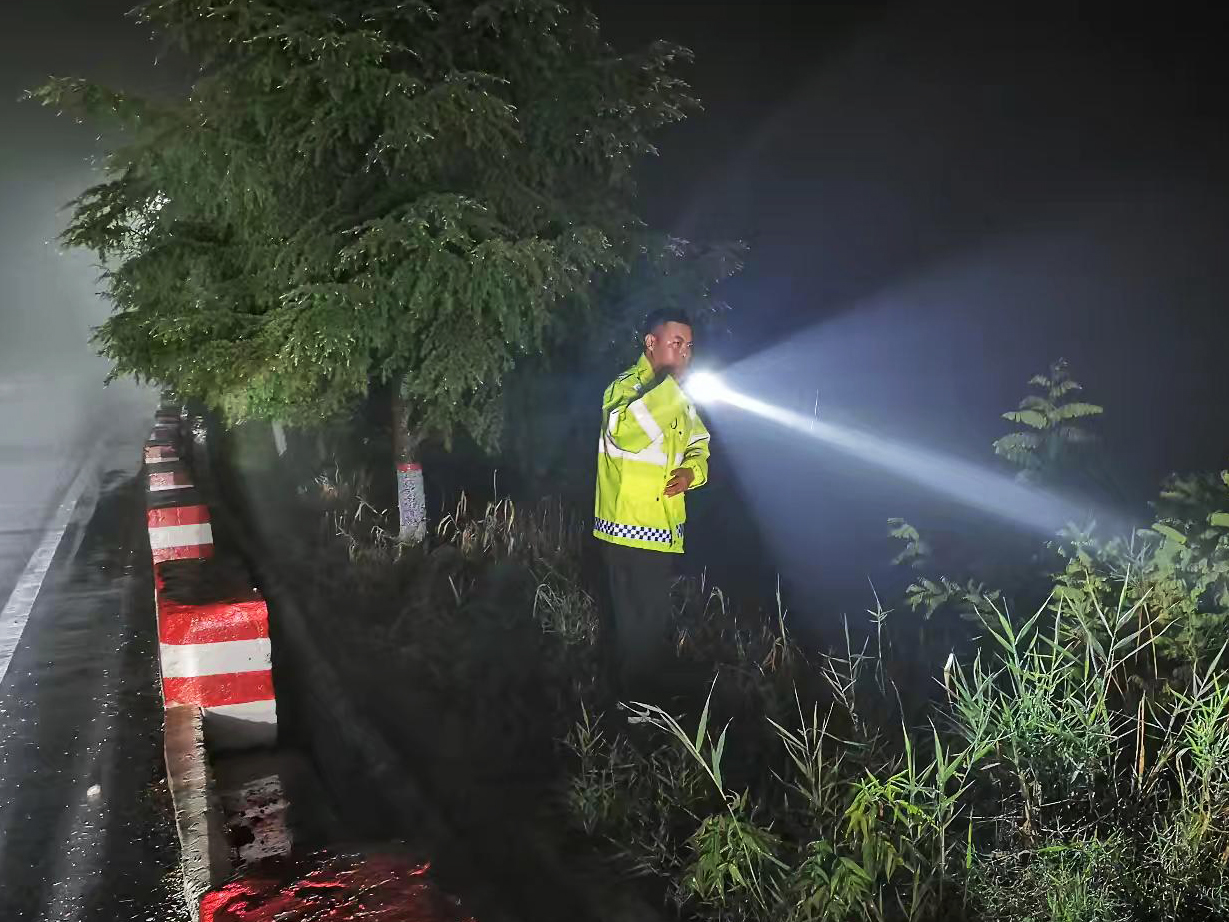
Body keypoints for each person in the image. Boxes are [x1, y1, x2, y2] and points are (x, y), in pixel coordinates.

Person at [593, 309, 711, 696]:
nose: (684, 353)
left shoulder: (677, 397)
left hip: (662, 532)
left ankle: (636, 708)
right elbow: (626, 434)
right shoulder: (625, 388)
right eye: (676, 343)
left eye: (689, 346)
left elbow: (699, 445)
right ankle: (630, 715)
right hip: (627, 530)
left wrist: (693, 473)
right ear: (651, 343)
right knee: (634, 630)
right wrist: (673, 391)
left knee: (650, 627)